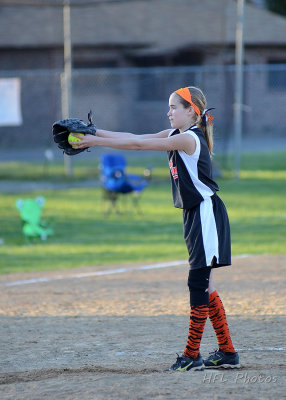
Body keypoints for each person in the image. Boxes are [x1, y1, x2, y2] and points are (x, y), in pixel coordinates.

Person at [71, 86, 240, 372]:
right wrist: (96, 134)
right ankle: (227, 352)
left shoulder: (188, 139)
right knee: (205, 284)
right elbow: (136, 138)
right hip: (195, 214)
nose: (169, 112)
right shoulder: (178, 135)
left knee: (197, 283)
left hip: (206, 214)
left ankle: (191, 355)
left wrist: (92, 142)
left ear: (191, 111)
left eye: (174, 107)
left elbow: (139, 147)